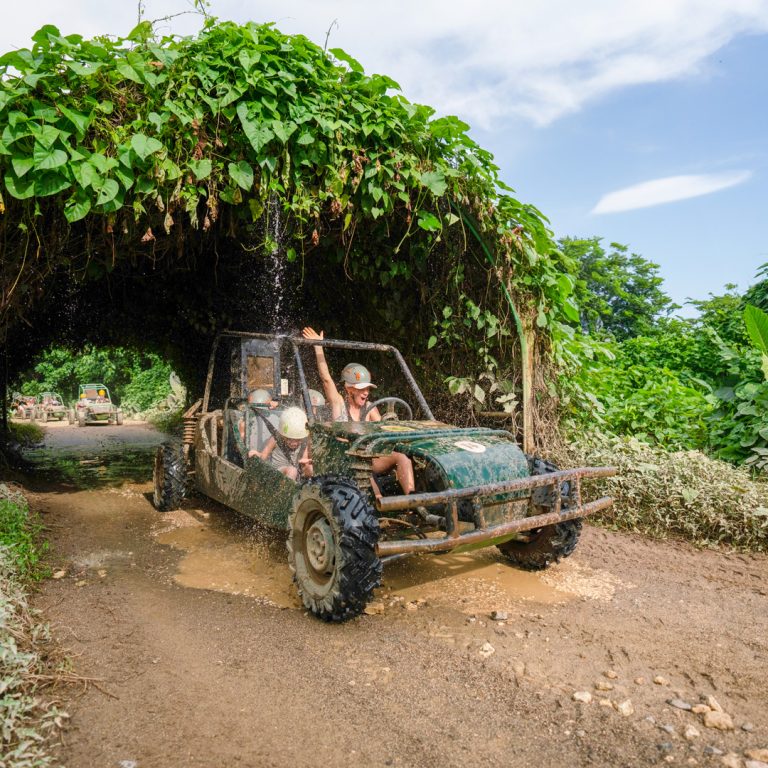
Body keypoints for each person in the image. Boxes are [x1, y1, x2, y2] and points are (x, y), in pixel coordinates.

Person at [301, 326, 415, 495]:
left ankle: (413, 500)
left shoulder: (369, 408)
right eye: (362, 388)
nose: (366, 392)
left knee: (402, 457)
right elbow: (326, 379)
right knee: (365, 473)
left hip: (368, 459)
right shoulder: (339, 404)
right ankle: (378, 503)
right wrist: (318, 347)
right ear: (349, 389)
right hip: (344, 462)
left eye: (368, 388)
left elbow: (383, 430)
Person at [252, 406, 313, 481]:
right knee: (292, 471)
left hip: (295, 473)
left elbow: (304, 460)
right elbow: (263, 456)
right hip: (278, 473)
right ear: (283, 435)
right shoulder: (276, 438)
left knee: (311, 469)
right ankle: (288, 488)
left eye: (297, 440)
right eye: (289, 439)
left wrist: (306, 465)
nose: (293, 443)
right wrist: (256, 454)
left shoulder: (304, 440)